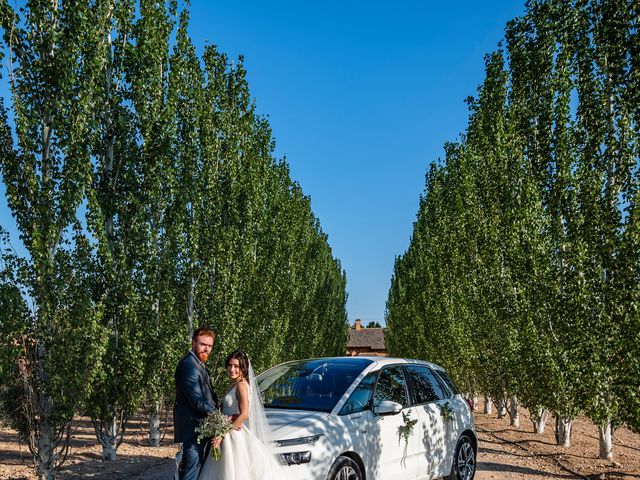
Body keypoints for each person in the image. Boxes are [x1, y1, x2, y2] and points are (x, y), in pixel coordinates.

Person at [199, 350, 291, 480]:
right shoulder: (235, 384)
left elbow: (244, 414)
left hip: (232, 434)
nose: (232, 369)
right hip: (228, 432)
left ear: (244, 368)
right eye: (230, 365)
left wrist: (221, 434)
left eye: (236, 366)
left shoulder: (241, 386)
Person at [174, 327, 219, 480]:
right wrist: (218, 415)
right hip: (193, 430)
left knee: (197, 470)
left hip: (200, 428)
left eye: (209, 346)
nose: (206, 349)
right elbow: (197, 401)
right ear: (193, 343)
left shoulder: (198, 364)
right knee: (191, 472)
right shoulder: (188, 365)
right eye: (202, 344)